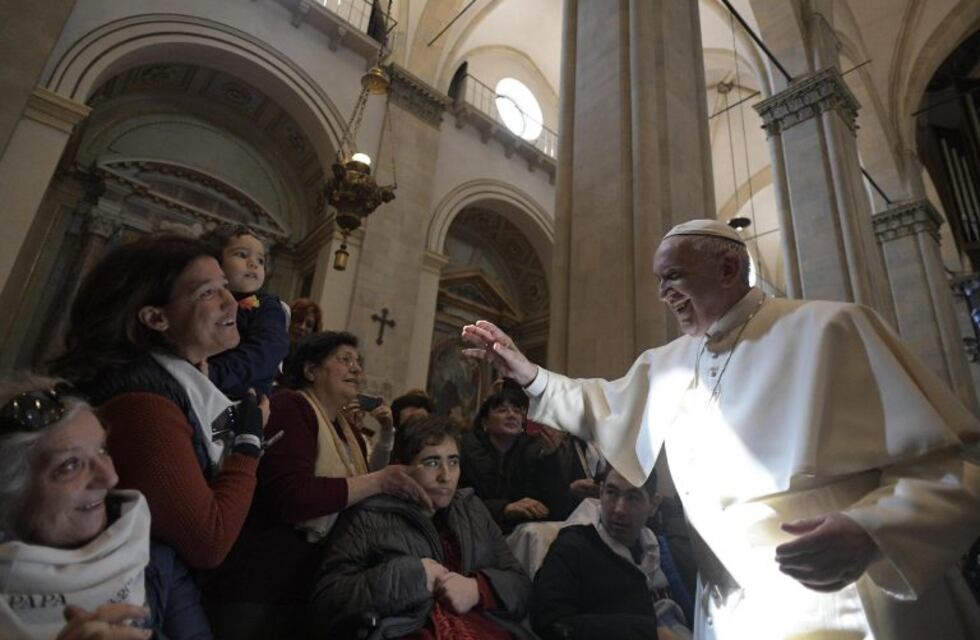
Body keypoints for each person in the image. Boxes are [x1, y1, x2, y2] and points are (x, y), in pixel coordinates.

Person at [462, 219, 980, 639]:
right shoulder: (668, 363)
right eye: (660, 282)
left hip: (842, 596)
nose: (664, 294)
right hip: (732, 608)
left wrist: (874, 531)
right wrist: (526, 372)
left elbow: (956, 469)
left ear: (728, 267)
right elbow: (597, 405)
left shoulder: (832, 329)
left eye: (673, 277)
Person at [51, 234, 268, 576]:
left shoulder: (176, 384)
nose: (232, 302)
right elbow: (208, 541)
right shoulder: (143, 406)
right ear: (155, 318)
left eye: (225, 286)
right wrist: (247, 445)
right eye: (208, 292)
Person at [202, 331, 433, 640]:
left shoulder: (343, 427)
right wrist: (379, 480)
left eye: (358, 362)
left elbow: (357, 484)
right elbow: (292, 496)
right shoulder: (290, 407)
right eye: (345, 359)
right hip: (262, 582)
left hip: (304, 583)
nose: (357, 369)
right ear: (311, 370)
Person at [0, 375, 210, 640]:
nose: (110, 477)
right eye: (70, 465)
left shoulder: (153, 559)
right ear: (9, 490)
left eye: (102, 451)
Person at [310, 415, 534, 639]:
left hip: (485, 628)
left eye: (453, 462)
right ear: (402, 468)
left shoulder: (471, 508)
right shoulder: (368, 514)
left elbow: (521, 585)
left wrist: (478, 589)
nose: (446, 476)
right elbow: (327, 602)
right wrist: (411, 578)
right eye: (432, 462)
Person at [531, 467, 692, 640]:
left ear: (653, 505)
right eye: (611, 493)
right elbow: (551, 624)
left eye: (633, 498)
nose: (619, 509)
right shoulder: (572, 549)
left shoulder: (664, 547)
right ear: (600, 493)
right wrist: (648, 635)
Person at [459, 384, 567, 533]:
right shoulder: (467, 450)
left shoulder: (532, 451)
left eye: (517, 411)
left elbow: (558, 505)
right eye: (502, 410)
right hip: (476, 531)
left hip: (519, 531)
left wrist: (551, 457)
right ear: (485, 422)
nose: (512, 415)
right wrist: (505, 508)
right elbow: (459, 503)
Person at [200, 224, 290, 398]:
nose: (253, 264)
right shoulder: (202, 299)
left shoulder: (267, 306)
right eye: (242, 255)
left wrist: (214, 373)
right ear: (215, 262)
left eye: (260, 261)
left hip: (240, 400)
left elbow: (267, 350)